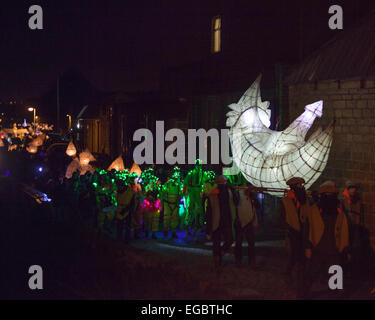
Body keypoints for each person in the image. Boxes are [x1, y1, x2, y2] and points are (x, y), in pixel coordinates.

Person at [303, 181, 350, 298]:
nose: (328, 196)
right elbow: (307, 229)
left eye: (331, 193)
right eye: (326, 193)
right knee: (312, 271)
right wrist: (308, 246)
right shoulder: (314, 210)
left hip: (334, 247)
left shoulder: (339, 211)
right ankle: (304, 292)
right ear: (322, 195)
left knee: (335, 271)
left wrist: (345, 248)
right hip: (318, 245)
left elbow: (344, 230)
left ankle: (335, 293)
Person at [279, 177, 310, 283]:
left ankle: (300, 274)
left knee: (301, 254)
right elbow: (282, 217)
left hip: (303, 230)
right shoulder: (285, 201)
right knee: (294, 254)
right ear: (293, 187)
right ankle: (290, 273)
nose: (301, 187)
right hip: (292, 231)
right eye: (299, 185)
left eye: (301, 185)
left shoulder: (304, 199)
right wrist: (288, 228)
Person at [204, 175, 236, 269]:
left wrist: (208, 229)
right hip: (220, 220)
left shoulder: (228, 192)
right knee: (220, 241)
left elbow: (208, 212)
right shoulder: (215, 194)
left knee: (221, 241)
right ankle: (218, 258)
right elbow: (209, 211)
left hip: (221, 220)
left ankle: (218, 256)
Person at [234, 183, 260, 268]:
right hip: (240, 221)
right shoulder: (238, 194)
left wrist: (254, 198)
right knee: (238, 243)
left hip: (249, 222)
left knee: (251, 243)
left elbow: (258, 206)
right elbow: (234, 204)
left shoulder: (252, 196)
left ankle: (251, 261)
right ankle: (238, 261)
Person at [340, 180, 364, 273]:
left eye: (355, 188)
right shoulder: (343, 200)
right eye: (352, 188)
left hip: (354, 228)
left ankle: (351, 269)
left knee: (354, 248)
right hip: (346, 228)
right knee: (346, 247)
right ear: (348, 189)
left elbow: (359, 215)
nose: (353, 190)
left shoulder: (356, 200)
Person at [183, 159, 206, 237]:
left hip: (199, 191)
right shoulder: (191, 173)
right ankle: (188, 227)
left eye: (199, 165)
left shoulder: (203, 173)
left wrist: (203, 191)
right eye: (197, 165)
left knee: (199, 210)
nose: (198, 166)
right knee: (190, 209)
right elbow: (185, 183)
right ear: (195, 165)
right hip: (192, 191)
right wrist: (185, 194)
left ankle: (199, 226)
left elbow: (205, 183)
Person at [161, 168, 182, 239]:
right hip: (168, 204)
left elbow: (180, 194)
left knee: (174, 219)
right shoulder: (167, 184)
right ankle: (166, 232)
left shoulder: (179, 185)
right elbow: (163, 194)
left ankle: (173, 233)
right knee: (166, 219)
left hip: (175, 205)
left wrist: (177, 202)